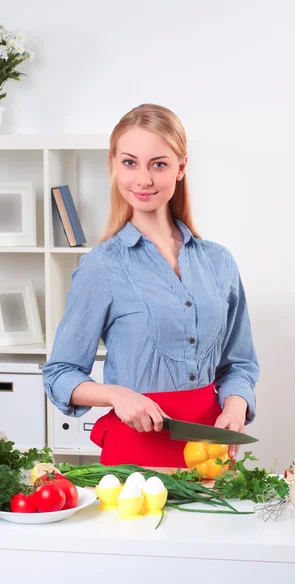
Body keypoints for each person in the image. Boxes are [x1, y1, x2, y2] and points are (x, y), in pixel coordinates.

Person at [42, 103, 259, 468]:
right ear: (114, 165)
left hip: (211, 453)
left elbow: (240, 363)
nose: (143, 179)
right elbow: (60, 374)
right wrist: (117, 396)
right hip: (134, 458)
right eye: (130, 162)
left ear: (181, 168)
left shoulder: (219, 262)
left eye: (158, 164)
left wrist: (236, 404)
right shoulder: (102, 267)